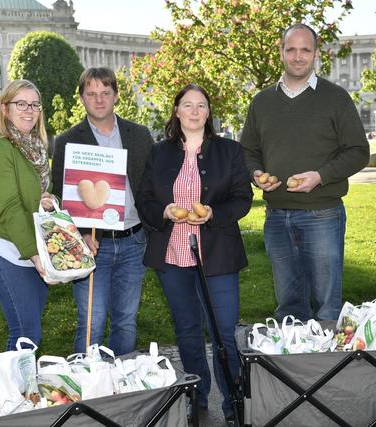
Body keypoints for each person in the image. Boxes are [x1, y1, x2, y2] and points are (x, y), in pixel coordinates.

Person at [136, 84, 253, 425]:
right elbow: (144, 197)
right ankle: (196, 399)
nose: (194, 111)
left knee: (224, 332)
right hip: (173, 256)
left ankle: (234, 404)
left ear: (208, 113)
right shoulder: (159, 153)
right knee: (187, 331)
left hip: (217, 255)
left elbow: (242, 198)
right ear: (176, 111)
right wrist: (165, 211)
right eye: (187, 105)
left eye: (201, 105)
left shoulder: (229, 151)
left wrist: (214, 213)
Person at [240, 23, 370, 322]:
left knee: (327, 306)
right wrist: (256, 173)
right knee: (288, 306)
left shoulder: (335, 98)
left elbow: (358, 151)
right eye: (291, 49)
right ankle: (292, 367)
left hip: (322, 215)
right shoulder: (262, 101)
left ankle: (326, 368)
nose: (298, 57)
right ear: (281, 51)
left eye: (305, 50)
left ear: (316, 53)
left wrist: (320, 176)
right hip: (276, 216)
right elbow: (248, 151)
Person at [52, 67, 154, 356]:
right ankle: (88, 392)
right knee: (91, 323)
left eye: (105, 93)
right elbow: (61, 198)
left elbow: (153, 185)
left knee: (126, 322)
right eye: (92, 94)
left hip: (134, 241)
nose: (99, 100)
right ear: (82, 98)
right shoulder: (67, 141)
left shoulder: (140, 135)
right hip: (92, 246)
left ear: (116, 96)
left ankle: (122, 390)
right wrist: (79, 233)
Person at [0, 79, 56, 351]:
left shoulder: (34, 151)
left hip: (30, 247)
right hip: (5, 250)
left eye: (34, 104)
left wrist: (47, 200)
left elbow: (33, 197)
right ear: (4, 109)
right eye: (20, 103)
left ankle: (23, 393)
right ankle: (10, 393)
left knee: (29, 335)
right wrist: (35, 254)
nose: (29, 110)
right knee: (25, 333)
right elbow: (9, 206)